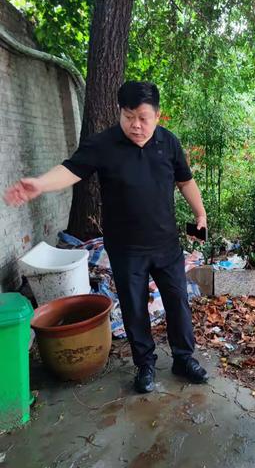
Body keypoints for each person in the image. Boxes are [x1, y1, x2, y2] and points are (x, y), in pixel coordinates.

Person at [4, 81, 209, 392]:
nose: (136, 125)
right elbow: (71, 170)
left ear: (157, 115)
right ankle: (145, 365)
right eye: (128, 117)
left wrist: (201, 214)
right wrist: (41, 184)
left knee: (178, 301)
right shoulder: (104, 144)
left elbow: (185, 181)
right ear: (119, 113)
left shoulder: (168, 143)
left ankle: (184, 358)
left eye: (143, 117)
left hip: (166, 244)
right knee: (133, 306)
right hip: (126, 248)